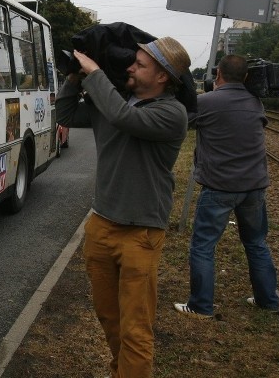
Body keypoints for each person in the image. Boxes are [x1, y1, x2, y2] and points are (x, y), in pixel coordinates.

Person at [55, 36, 191, 378]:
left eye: (141, 64)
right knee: (109, 317)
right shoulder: (116, 101)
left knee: (135, 328)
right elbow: (67, 113)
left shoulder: (171, 113)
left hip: (141, 232)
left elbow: (122, 118)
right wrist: (73, 77)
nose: (131, 66)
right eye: (132, 61)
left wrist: (95, 72)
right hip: (101, 225)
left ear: (162, 77)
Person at [174, 55, 279, 319]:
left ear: (217, 74)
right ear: (245, 77)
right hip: (254, 186)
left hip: (220, 186)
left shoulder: (207, 102)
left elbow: (181, 123)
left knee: (203, 245)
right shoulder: (256, 102)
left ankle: (200, 306)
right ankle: (268, 301)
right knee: (256, 243)